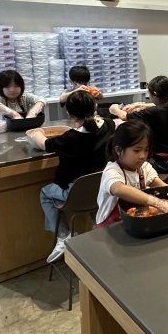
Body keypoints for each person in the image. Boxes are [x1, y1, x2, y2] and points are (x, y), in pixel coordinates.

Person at [30, 90, 115, 262]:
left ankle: (63, 235)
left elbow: (44, 144)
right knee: (93, 196)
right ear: (95, 106)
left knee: (45, 193)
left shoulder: (69, 138)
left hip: (75, 193)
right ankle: (101, 230)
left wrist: (37, 133)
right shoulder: (108, 125)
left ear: (70, 114)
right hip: (103, 189)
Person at [95, 120, 168, 227]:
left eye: (146, 150)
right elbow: (118, 189)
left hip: (136, 223)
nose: (143, 156)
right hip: (111, 227)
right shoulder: (112, 171)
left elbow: (165, 190)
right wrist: (156, 202)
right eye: (136, 150)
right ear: (118, 150)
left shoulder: (144, 168)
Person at [109, 76, 168, 174]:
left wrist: (114, 109)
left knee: (130, 162)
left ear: (155, 94)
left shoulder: (154, 112)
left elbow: (123, 116)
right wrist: (138, 105)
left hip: (163, 163)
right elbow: (156, 106)